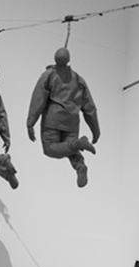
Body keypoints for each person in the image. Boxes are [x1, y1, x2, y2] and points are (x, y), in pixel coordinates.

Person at [26, 47, 100, 188]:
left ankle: (78, 144)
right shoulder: (78, 79)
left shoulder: (48, 75)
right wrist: (95, 130)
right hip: (72, 123)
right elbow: (89, 107)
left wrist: (30, 123)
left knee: (50, 149)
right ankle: (80, 165)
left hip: (53, 121)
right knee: (70, 150)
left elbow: (38, 99)